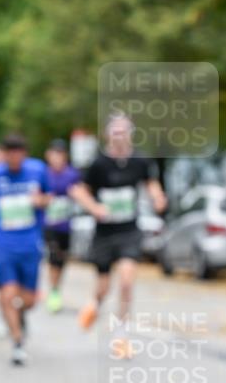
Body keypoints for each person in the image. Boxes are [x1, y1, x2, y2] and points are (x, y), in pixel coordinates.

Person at [70, 114, 167, 332]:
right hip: (104, 232)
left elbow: (151, 184)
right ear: (107, 135)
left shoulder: (140, 161)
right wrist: (95, 208)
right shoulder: (98, 164)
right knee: (103, 287)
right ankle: (93, 304)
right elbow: (79, 191)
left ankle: (122, 333)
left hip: (128, 230)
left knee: (126, 282)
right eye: (116, 133)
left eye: (124, 132)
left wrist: (158, 198)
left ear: (131, 135)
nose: (120, 137)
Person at [0, 133, 50, 365]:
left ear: (24, 154)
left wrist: (41, 201)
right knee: (8, 294)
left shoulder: (38, 171)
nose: (13, 157)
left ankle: (20, 318)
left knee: (29, 300)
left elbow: (49, 196)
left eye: (17, 152)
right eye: (9, 153)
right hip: (2, 244)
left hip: (30, 243)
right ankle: (18, 342)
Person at [42, 138, 80, 313]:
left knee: (61, 259)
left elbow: (80, 193)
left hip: (65, 225)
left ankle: (56, 288)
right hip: (48, 224)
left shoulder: (72, 175)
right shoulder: (44, 174)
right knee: (53, 254)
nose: (57, 157)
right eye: (54, 153)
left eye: (61, 154)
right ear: (48, 155)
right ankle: (53, 291)